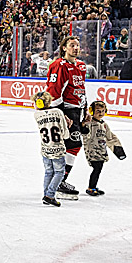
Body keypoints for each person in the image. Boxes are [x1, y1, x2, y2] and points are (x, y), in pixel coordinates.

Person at [46, 36, 87, 200]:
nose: (75, 48)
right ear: (64, 48)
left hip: (77, 111)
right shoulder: (58, 66)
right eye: (72, 45)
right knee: (73, 144)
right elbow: (53, 92)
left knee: (70, 146)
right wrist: (61, 113)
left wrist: (85, 109)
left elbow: (81, 89)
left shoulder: (81, 66)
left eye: (77, 45)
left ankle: (57, 182)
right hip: (66, 111)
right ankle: (59, 183)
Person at [81, 100, 126, 197]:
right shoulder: (90, 123)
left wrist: (118, 149)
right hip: (92, 150)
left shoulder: (104, 124)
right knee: (96, 168)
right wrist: (84, 126)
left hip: (101, 151)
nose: (100, 113)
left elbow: (110, 137)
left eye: (102, 111)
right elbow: (85, 134)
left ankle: (93, 186)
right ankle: (91, 187)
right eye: (98, 111)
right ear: (92, 111)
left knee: (99, 168)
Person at [33, 90, 69, 207]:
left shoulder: (36, 115)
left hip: (45, 149)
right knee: (59, 172)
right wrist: (68, 124)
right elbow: (66, 135)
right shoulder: (58, 112)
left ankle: (46, 196)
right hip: (58, 149)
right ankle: (49, 195)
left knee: (48, 172)